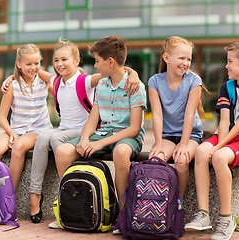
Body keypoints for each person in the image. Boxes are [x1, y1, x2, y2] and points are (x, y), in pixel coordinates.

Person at [1, 38, 141, 224]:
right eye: (56, 60)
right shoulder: (56, 81)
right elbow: (30, 71)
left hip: (83, 131)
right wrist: (11, 77)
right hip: (66, 129)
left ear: (76, 61)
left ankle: (70, 193)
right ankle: (35, 194)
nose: (59, 64)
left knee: (55, 139)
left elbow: (117, 69)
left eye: (64, 59)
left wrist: (134, 74)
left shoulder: (87, 81)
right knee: (44, 137)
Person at [54, 35, 146, 231]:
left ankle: (122, 214)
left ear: (110, 61)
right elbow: (93, 119)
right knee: (62, 151)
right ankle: (70, 206)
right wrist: (85, 139)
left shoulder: (135, 86)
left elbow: (134, 128)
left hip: (127, 137)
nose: (95, 66)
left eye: (97, 61)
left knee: (120, 153)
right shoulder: (102, 84)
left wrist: (99, 144)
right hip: (102, 134)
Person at [184, 41, 239, 240]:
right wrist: (220, 143)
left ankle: (225, 218)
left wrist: (221, 147)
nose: (226, 66)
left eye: (230, 61)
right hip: (228, 136)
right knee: (202, 151)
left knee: (220, 157)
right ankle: (203, 214)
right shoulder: (226, 87)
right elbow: (225, 122)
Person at [0, 44, 52, 191]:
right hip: (17, 130)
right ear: (19, 64)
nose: (33, 67)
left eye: (37, 63)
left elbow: (62, 86)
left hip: (39, 130)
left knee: (19, 146)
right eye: (28, 64)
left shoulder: (44, 82)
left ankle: (8, 195)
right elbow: (2, 116)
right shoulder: (12, 85)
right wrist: (11, 133)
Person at [148, 36, 205, 197]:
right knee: (155, 160)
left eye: (189, 59)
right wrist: (158, 143)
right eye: (181, 58)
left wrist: (184, 144)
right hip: (167, 136)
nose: (186, 63)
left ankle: (178, 202)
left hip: (191, 135)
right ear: (166, 58)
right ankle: (159, 201)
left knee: (181, 162)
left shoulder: (194, 80)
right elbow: (157, 115)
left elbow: (189, 114)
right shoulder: (155, 81)